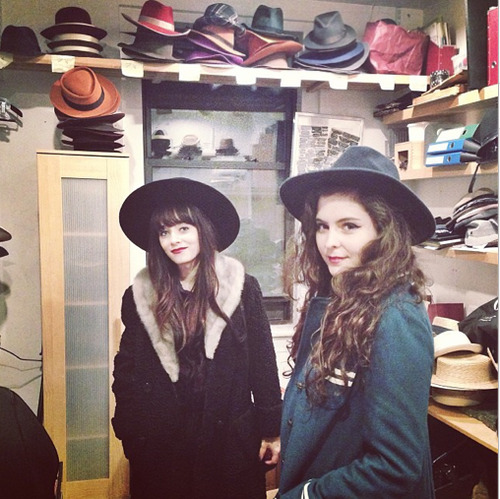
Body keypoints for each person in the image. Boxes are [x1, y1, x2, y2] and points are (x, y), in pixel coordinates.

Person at [276, 146, 437, 498]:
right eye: (322, 227)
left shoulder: (396, 317)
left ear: (384, 232)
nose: (330, 242)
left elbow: (394, 466)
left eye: (349, 226)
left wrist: (307, 495)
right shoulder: (340, 297)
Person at [112, 177, 282, 499]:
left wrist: (271, 430)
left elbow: (262, 362)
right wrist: (130, 432)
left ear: (202, 229)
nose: (173, 239)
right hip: (163, 442)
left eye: (183, 228)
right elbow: (127, 370)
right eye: (164, 232)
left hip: (226, 437)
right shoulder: (140, 296)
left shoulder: (242, 288)